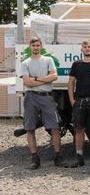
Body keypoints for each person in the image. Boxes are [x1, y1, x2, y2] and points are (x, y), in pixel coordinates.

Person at [20, 36, 68, 169]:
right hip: (31, 97)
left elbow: (54, 76)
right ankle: (35, 158)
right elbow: (27, 82)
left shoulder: (48, 60)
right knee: (30, 127)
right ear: (30, 47)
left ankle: (58, 157)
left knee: (55, 127)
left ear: (41, 46)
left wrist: (35, 78)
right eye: (33, 45)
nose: (35, 47)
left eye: (37, 45)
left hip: (47, 97)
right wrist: (44, 78)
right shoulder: (26, 63)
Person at [68, 39, 90, 168]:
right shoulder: (76, 64)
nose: (87, 48)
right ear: (81, 50)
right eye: (84, 47)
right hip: (80, 101)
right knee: (79, 129)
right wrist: (72, 100)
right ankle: (79, 157)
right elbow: (71, 83)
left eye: (89, 46)